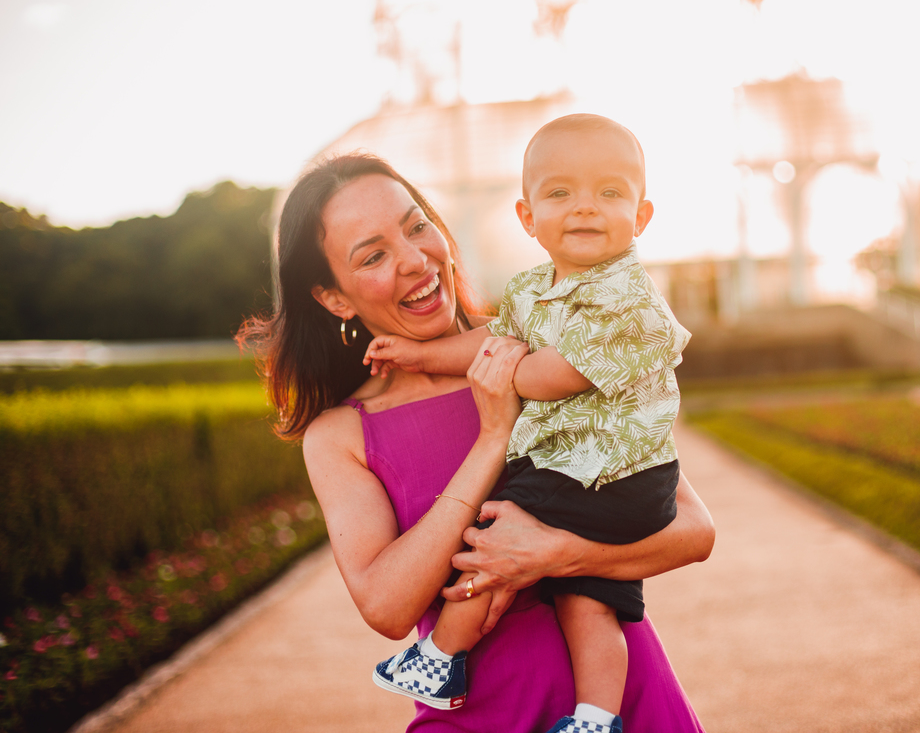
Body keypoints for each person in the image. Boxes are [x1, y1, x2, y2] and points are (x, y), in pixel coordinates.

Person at [238, 151, 712, 733]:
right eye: (374, 255)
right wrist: (493, 438)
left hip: (625, 705)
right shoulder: (342, 434)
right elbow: (386, 607)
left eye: (417, 226)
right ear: (334, 297)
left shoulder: (550, 355)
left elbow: (694, 531)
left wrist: (557, 554)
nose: (415, 259)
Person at [364, 114, 689, 733]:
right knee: (590, 603)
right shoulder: (534, 288)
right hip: (604, 475)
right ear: (527, 217)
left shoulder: (629, 298)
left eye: (610, 192)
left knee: (487, 540)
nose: (586, 207)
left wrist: (498, 375)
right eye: (561, 192)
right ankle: (596, 719)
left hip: (603, 474)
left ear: (642, 217)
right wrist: (423, 354)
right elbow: (493, 341)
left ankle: (440, 657)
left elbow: (547, 375)